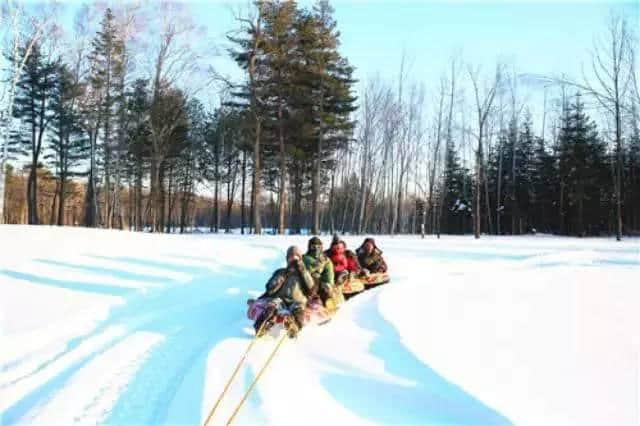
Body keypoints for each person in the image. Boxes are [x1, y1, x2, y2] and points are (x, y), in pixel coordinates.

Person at [253, 246, 314, 338]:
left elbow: (311, 287)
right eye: (291, 257)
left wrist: (303, 270)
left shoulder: (305, 273)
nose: (293, 259)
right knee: (271, 307)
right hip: (281, 299)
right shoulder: (281, 272)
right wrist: (282, 277)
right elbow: (269, 288)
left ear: (300, 259)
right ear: (287, 259)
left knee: (299, 312)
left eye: (296, 257)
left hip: (297, 301)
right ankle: (262, 326)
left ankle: (293, 326)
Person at [303, 236, 339, 310]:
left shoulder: (326, 260)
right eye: (313, 247)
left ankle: (326, 302)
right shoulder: (304, 258)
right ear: (309, 247)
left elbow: (329, 275)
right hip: (305, 283)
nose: (316, 249)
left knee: (325, 288)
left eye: (318, 247)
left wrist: (328, 285)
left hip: (319, 284)